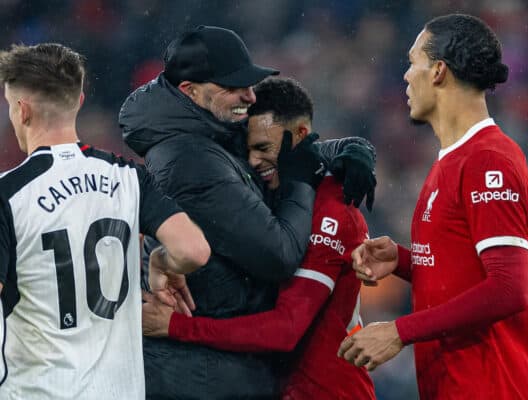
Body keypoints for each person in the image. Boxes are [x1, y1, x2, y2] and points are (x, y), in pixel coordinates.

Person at [119, 26, 376, 399]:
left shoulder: (212, 128)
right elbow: (279, 255)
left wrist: (351, 149)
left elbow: (278, 147)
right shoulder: (190, 160)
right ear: (191, 91)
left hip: (216, 370)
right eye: (234, 86)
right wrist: (300, 181)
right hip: (198, 379)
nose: (249, 96)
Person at [338, 14, 528, 400]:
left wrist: (400, 331)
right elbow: (470, 277)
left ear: (438, 72)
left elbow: (507, 288)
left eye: (413, 62)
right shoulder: (453, 159)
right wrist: (400, 260)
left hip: (492, 388)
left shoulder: (488, 160)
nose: (405, 76)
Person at [0, 43, 211, 400]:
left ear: (22, 111)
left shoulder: (10, 194)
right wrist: (160, 259)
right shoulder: (127, 176)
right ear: (79, 102)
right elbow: (194, 249)